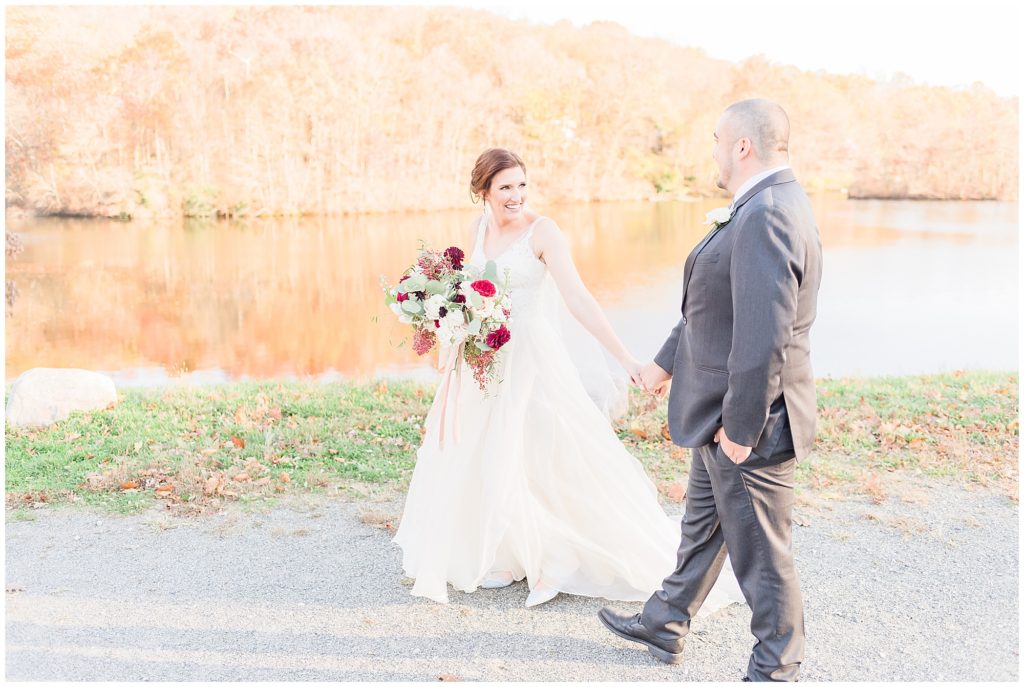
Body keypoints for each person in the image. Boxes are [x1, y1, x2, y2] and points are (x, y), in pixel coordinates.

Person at [393, 148, 745, 610]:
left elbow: (579, 299)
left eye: (522, 184)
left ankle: (551, 560)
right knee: (489, 450)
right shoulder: (476, 229)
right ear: (483, 191)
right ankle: (508, 551)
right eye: (506, 188)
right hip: (482, 362)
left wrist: (627, 359)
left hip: (532, 360)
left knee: (540, 450)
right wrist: (446, 337)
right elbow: (461, 295)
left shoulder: (544, 232)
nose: (517, 196)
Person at [598, 99, 823, 681]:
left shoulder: (768, 213)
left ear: (743, 145)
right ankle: (667, 619)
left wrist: (743, 429)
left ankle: (776, 665)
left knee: (763, 555)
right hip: (719, 411)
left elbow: (762, 337)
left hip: (751, 421)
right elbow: (714, 309)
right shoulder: (756, 206)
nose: (714, 150)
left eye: (718, 139)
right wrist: (663, 363)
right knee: (703, 524)